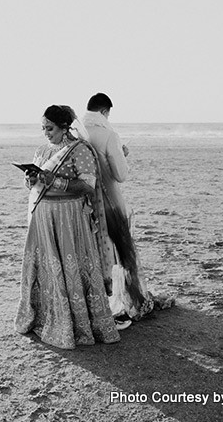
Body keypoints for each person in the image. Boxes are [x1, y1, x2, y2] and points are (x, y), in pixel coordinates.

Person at [14, 105, 121, 349]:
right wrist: (30, 179)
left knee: (71, 265)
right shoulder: (42, 150)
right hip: (42, 215)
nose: (45, 133)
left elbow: (87, 186)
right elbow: (34, 183)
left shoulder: (80, 150)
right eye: (43, 128)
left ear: (64, 127)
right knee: (46, 266)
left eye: (49, 128)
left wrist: (54, 180)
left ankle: (78, 323)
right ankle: (43, 316)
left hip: (68, 216)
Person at [83, 93, 155, 325]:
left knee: (95, 252)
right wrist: (122, 154)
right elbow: (120, 175)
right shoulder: (108, 135)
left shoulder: (79, 134)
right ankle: (120, 302)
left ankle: (97, 301)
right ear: (105, 112)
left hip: (86, 202)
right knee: (118, 251)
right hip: (110, 201)